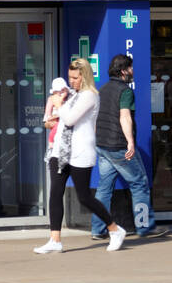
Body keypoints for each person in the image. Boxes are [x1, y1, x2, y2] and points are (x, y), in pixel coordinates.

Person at [33, 57, 128, 254]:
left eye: (76, 77)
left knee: (84, 196)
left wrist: (59, 105)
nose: (72, 81)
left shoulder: (90, 96)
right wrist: (50, 120)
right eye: (70, 77)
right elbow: (59, 120)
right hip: (60, 151)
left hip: (80, 152)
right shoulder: (72, 95)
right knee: (55, 193)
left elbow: (69, 118)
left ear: (84, 76)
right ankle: (55, 240)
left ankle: (115, 229)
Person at [91, 54, 166, 241]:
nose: (133, 71)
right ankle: (145, 227)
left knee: (104, 188)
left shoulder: (103, 89)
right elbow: (125, 117)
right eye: (130, 68)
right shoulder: (125, 91)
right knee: (139, 183)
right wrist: (130, 142)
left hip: (102, 145)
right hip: (118, 146)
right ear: (124, 71)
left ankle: (97, 229)